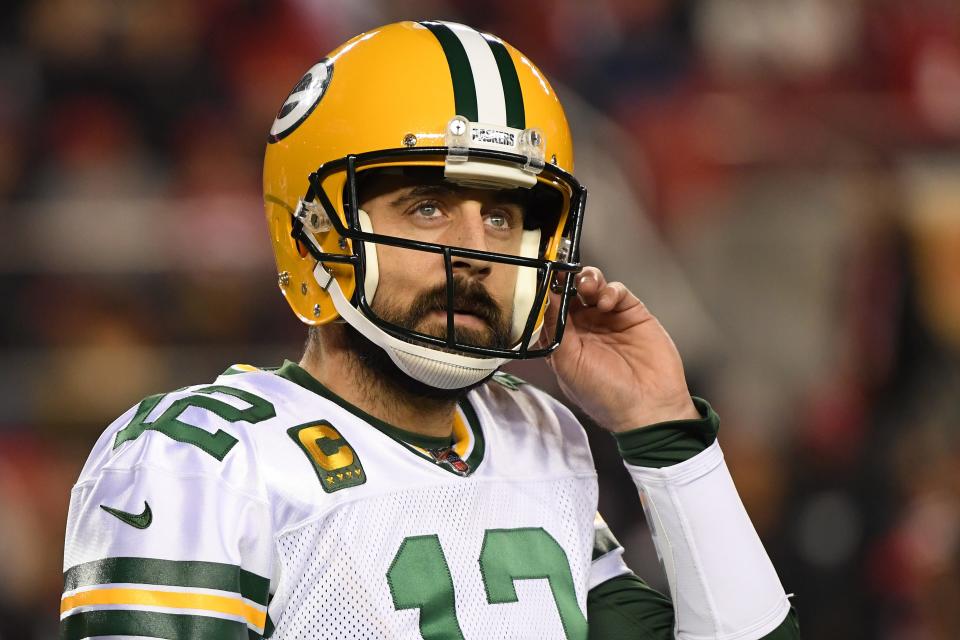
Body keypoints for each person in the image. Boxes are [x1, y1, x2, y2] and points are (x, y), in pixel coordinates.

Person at [59, 20, 800, 639]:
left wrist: (663, 430)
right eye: (427, 207)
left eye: (503, 217)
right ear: (317, 232)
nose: (476, 252)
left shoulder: (539, 436)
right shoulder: (203, 461)